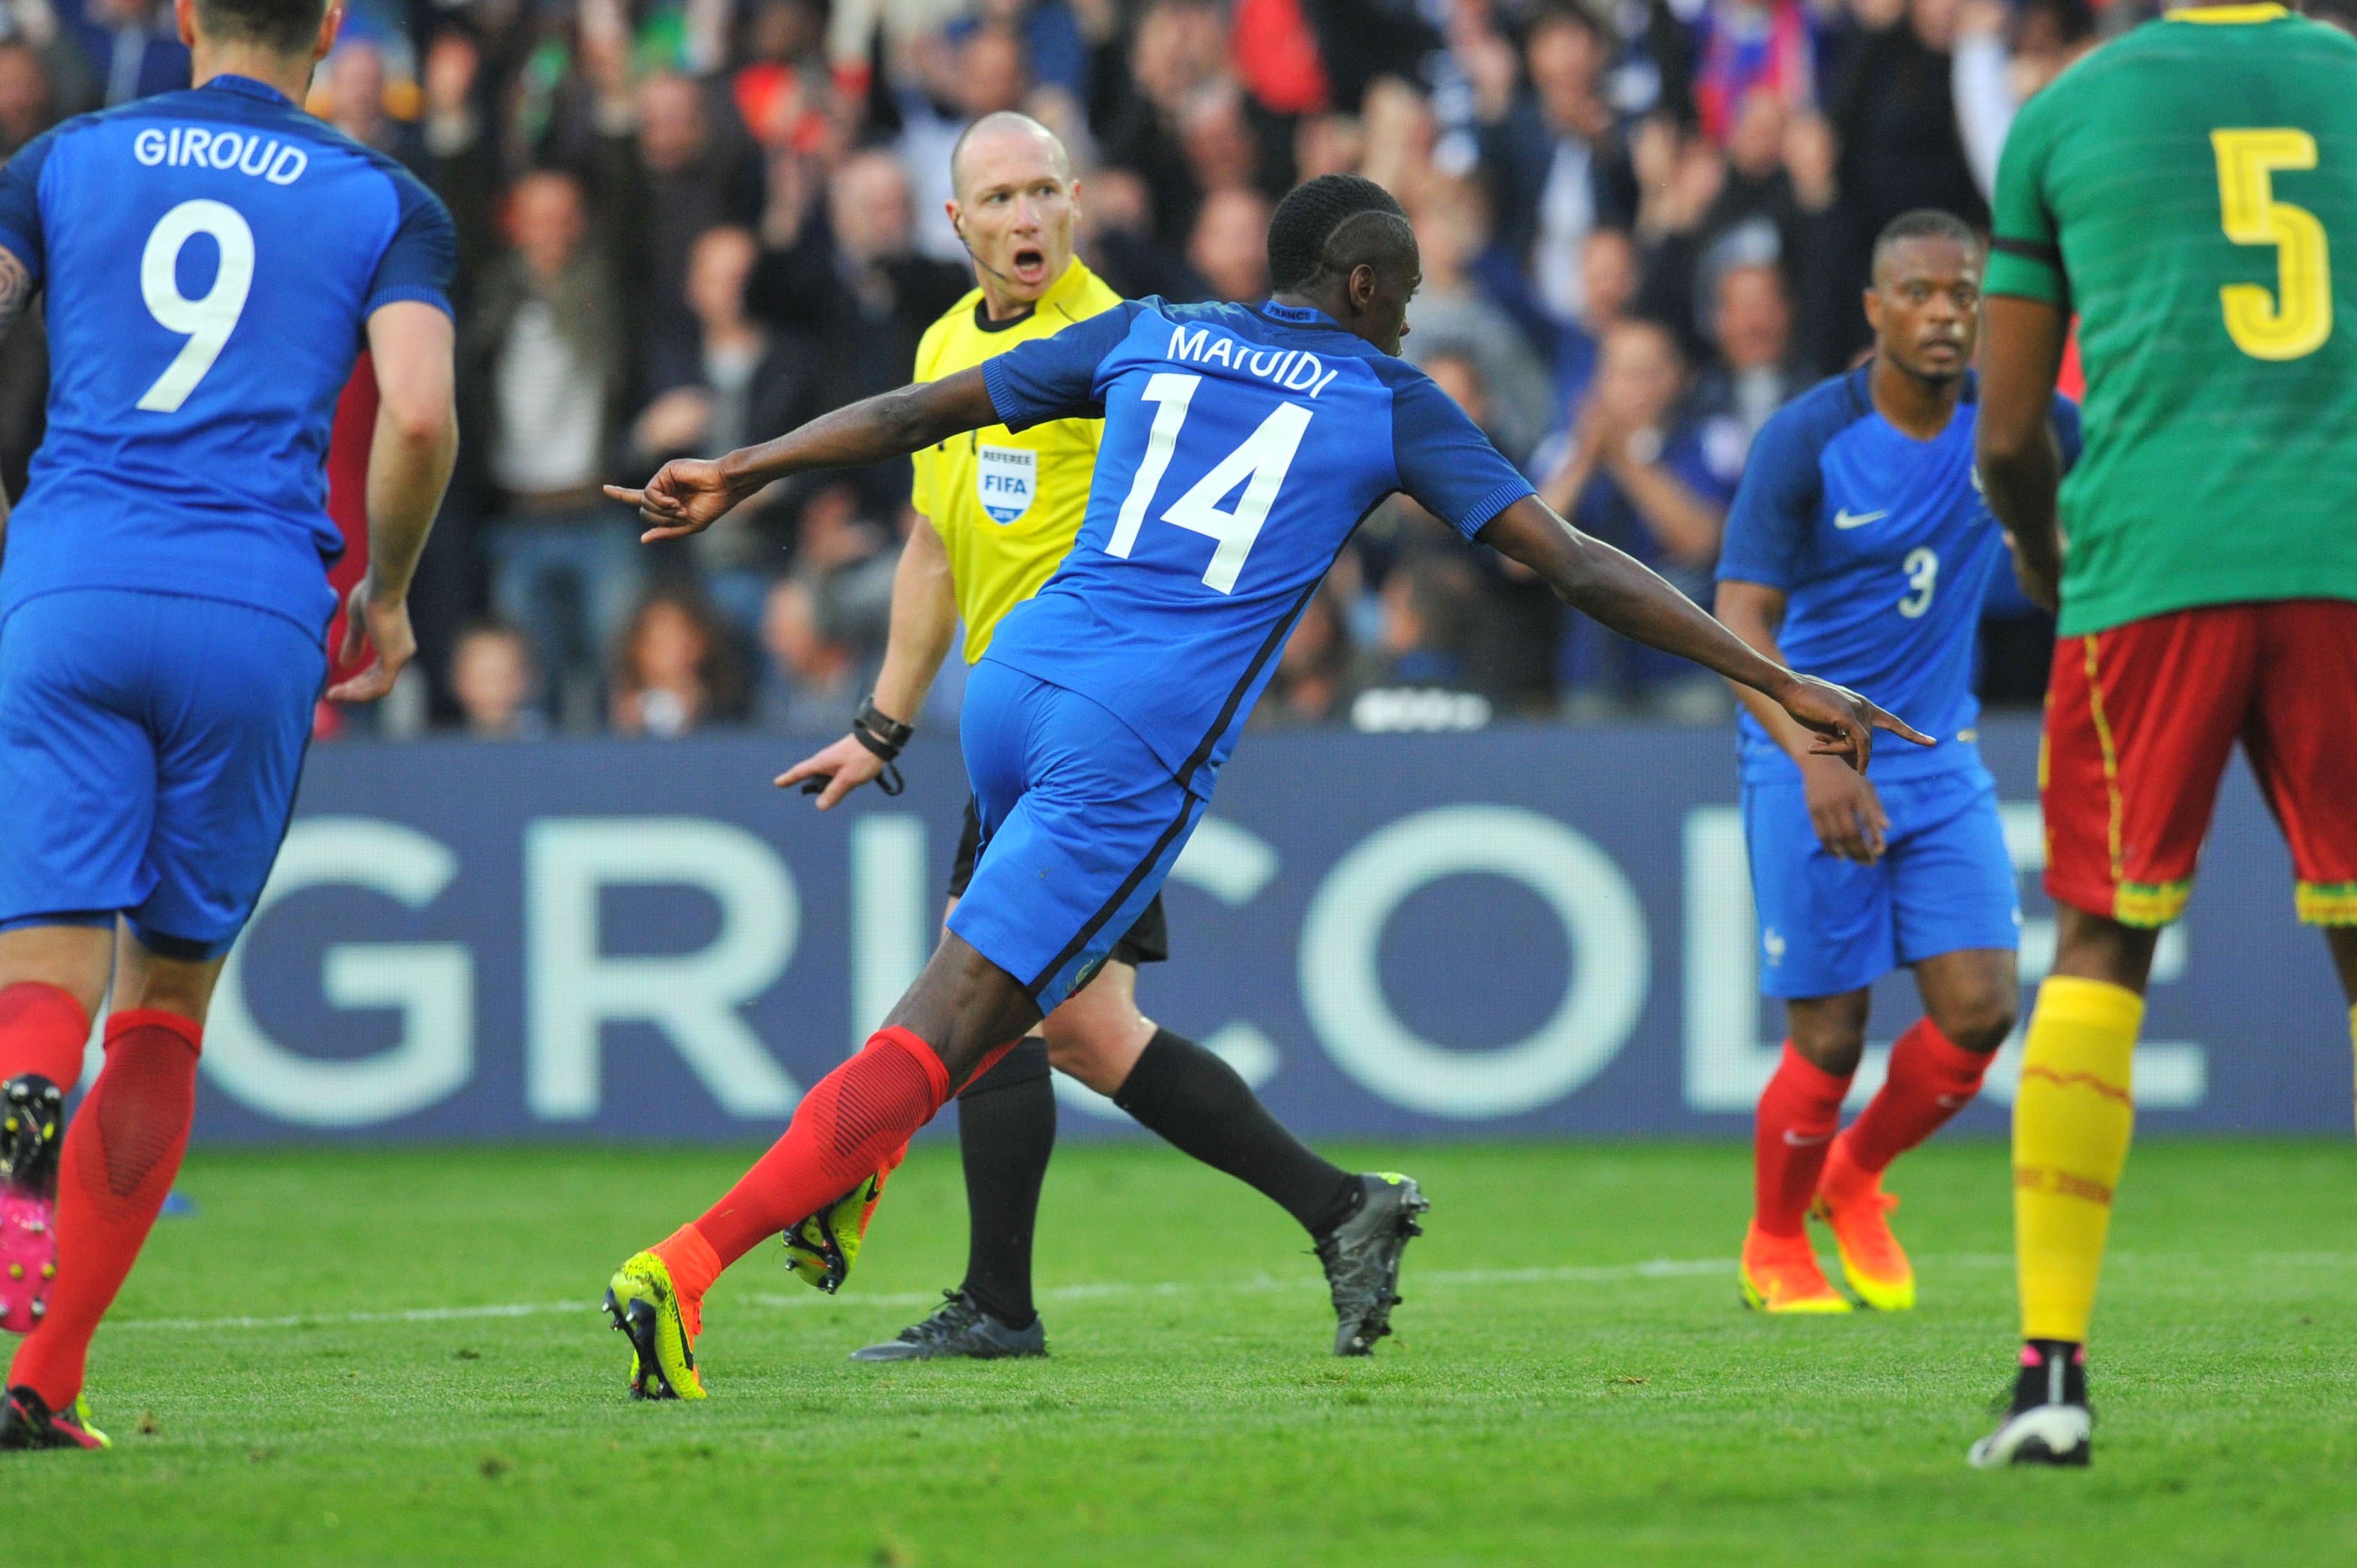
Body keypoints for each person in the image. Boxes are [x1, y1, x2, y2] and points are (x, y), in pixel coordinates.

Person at [596, 172, 1921, 1402]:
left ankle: (1223, 1214)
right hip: (1131, 737)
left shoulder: (1153, 329)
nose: (1405, 315)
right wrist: (1779, 682)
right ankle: (698, 1261)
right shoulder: (1385, 399)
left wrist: (745, 467)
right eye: (1397, 289)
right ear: (1355, 283)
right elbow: (1574, 564)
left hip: (1012, 684)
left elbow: (913, 417)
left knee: (1040, 1017)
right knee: (951, 1027)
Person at [781, 112, 1407, 1366]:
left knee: (1000, 1010)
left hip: (1096, 732)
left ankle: (995, 1302)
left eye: (1041, 194)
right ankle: (1344, 1208)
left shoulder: (1134, 346)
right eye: (997, 199)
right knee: (1083, 1031)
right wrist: (880, 722)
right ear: (953, 223)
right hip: (1012, 724)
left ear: (1079, 204)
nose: (1023, 219)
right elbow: (930, 546)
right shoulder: (949, 343)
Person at [0, 0, 456, 1448]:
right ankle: (44, 1378)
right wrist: (383, 594)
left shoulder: (64, 155)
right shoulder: (384, 196)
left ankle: (19, 1098)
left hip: (71, 576)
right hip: (257, 609)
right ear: (328, 25)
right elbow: (424, 416)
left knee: (48, 959)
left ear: (188, 16)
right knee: (168, 1001)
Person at [1971, 1, 2357, 1469]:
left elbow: (2009, 432)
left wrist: (2049, 562)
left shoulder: (2071, 111)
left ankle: (2053, 1377)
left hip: (2154, 564)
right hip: (2347, 549)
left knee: (2104, 940)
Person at [1715, 210, 2079, 1316]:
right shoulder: (1807, 439)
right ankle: (1774, 1243)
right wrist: (1815, 752)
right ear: (1875, 310)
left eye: (1963, 295)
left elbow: (2119, 478)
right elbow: (1735, 627)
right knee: (1830, 1030)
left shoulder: (2017, 421)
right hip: (1804, 755)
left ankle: (1853, 1176)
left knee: (1978, 1011)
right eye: (1918, 293)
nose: (1943, 314)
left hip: (1939, 754)